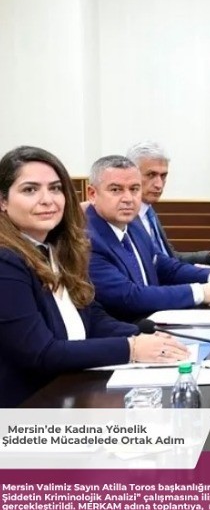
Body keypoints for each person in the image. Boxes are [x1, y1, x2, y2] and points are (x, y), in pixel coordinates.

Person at [0, 146, 189, 407]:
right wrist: (131, 348)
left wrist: (144, 337)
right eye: (30, 190)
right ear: (3, 201)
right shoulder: (6, 261)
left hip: (70, 389)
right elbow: (41, 352)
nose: (47, 200)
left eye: (55, 188)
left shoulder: (56, 248)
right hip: (28, 409)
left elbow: (91, 316)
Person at [85, 155, 210, 323]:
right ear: (92, 194)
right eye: (116, 190)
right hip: (128, 332)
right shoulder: (87, 240)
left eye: (134, 189)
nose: (128, 199)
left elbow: (165, 267)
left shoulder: (134, 223)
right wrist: (201, 292)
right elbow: (129, 297)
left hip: (158, 322)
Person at [127, 141, 210, 265]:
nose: (159, 185)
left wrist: (207, 257)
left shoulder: (148, 211)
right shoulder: (123, 217)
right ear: (130, 175)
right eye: (151, 175)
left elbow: (168, 257)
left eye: (163, 176)